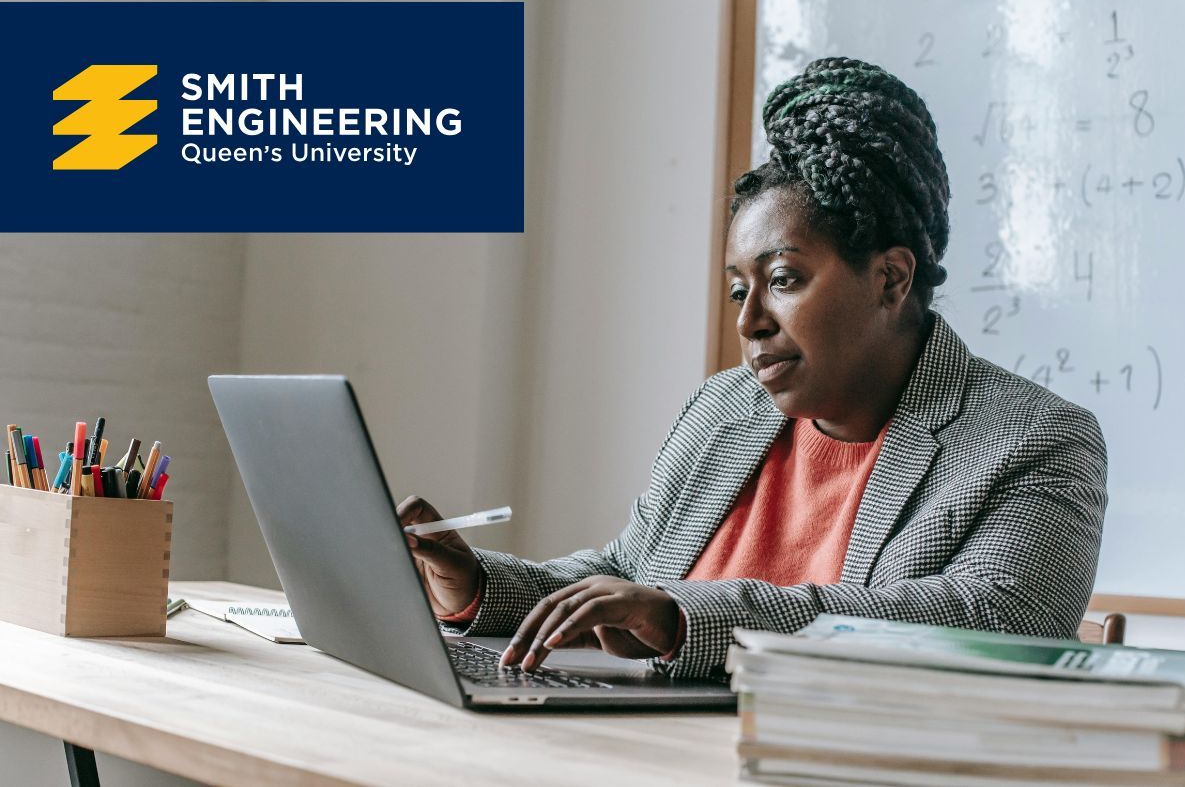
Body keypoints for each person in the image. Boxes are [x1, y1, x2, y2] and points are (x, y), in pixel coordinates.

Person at [401, 57, 1108, 681]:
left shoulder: (1036, 440)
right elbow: (625, 577)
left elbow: (987, 623)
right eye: (740, 288)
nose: (749, 321)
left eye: (785, 279)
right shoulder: (722, 409)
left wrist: (686, 615)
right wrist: (476, 583)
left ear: (891, 278)